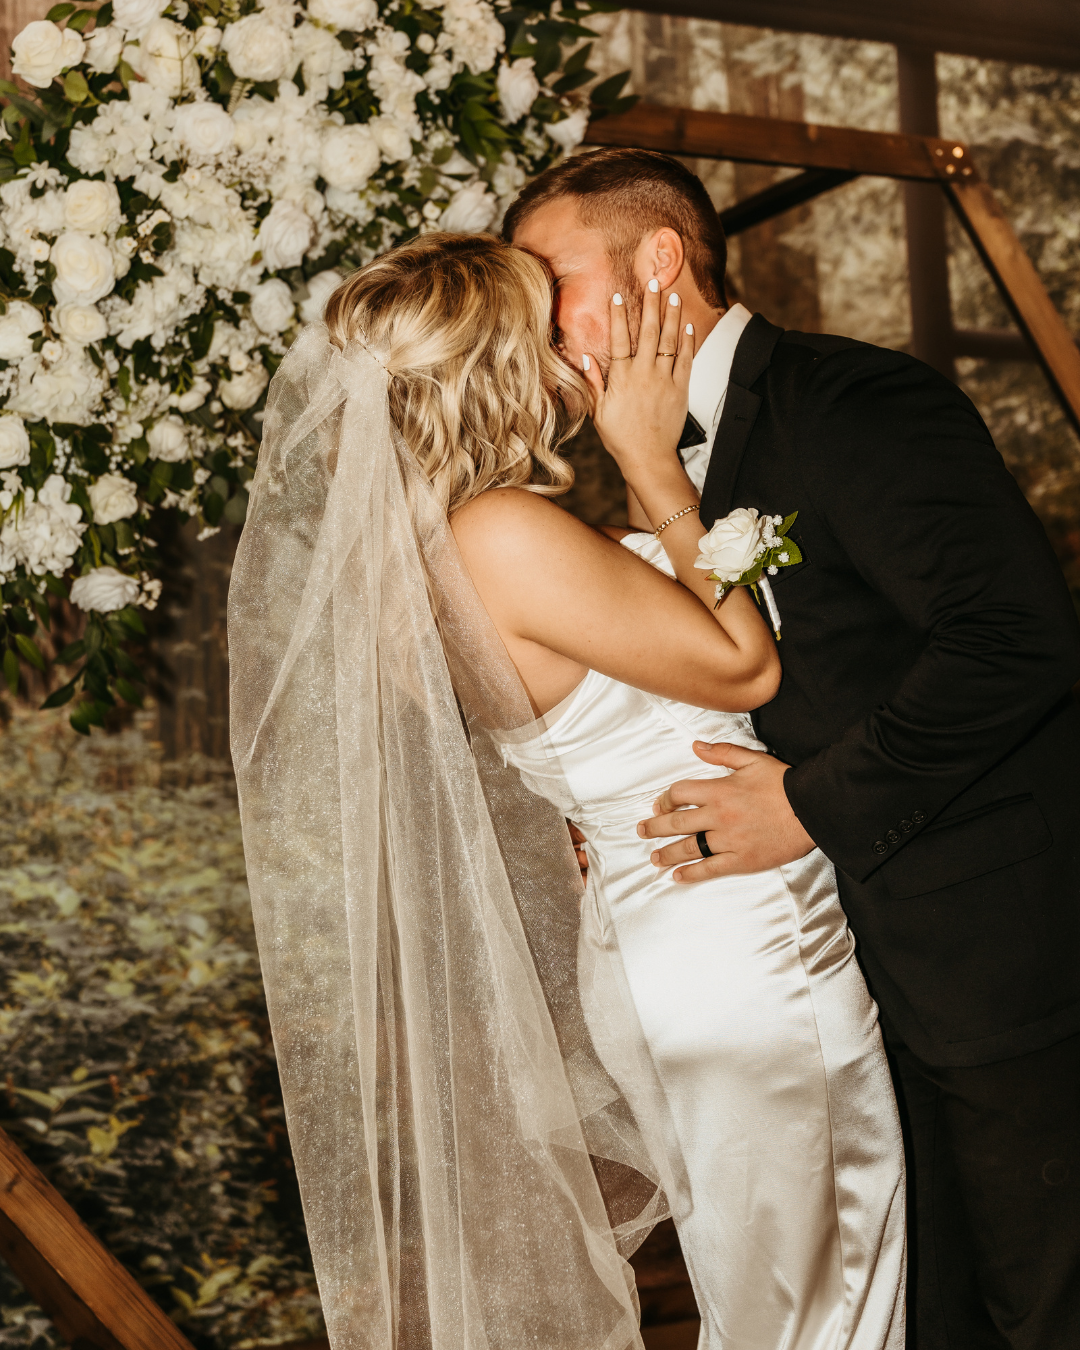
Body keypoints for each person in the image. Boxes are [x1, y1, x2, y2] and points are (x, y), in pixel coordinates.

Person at [229, 231, 906, 1350]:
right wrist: (652, 463)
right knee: (826, 1308)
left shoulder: (429, 559)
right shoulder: (500, 535)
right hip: (736, 945)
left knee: (775, 1302)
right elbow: (744, 667)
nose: (570, 352)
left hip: (660, 932)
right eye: (544, 329)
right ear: (507, 364)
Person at [506, 147, 1080, 1350]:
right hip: (831, 978)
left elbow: (1015, 641)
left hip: (990, 961)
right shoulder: (629, 462)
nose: (538, 320)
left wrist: (811, 806)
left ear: (659, 260)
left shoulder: (854, 401)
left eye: (551, 277)